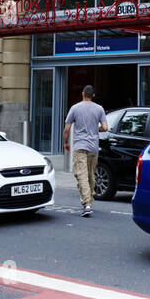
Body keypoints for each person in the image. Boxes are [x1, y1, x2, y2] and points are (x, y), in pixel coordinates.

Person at [63, 86, 107, 217]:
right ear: (93, 95)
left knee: (81, 175)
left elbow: (67, 129)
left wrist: (65, 142)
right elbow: (105, 127)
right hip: (93, 147)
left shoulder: (75, 108)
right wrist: (95, 130)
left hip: (80, 146)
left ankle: (87, 204)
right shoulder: (99, 109)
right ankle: (89, 198)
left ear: (83, 93)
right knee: (90, 175)